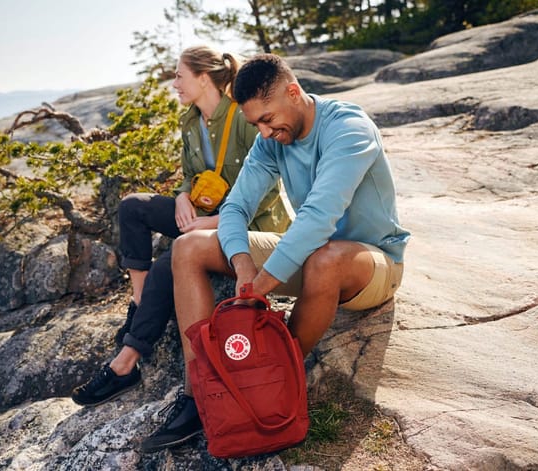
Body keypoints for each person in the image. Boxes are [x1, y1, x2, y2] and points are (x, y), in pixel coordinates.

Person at [139, 53, 411, 453]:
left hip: (372, 264)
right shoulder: (271, 141)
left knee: (325, 257)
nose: (264, 132)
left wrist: (259, 286)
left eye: (267, 119)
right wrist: (242, 262)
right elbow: (235, 208)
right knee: (188, 246)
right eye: (255, 124)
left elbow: (319, 216)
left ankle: (272, 378)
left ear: (293, 92)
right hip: (309, 257)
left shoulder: (349, 129)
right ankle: (203, 392)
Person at [71, 47, 291, 407]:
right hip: (202, 216)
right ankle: (139, 305)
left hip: (246, 225)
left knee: (168, 263)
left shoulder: (242, 118)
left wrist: (214, 222)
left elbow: (265, 193)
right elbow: (190, 176)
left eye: (179, 76)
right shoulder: (190, 121)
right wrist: (181, 198)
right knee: (133, 207)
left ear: (203, 78)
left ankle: (126, 364)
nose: (174, 84)